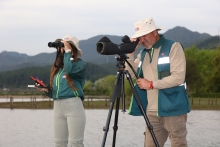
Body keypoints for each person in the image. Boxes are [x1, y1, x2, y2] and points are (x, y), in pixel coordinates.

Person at [125, 18, 190, 147]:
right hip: (152, 111)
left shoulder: (173, 46)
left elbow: (178, 77)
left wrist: (151, 84)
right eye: (139, 37)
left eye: (144, 35)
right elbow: (131, 74)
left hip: (173, 109)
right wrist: (131, 53)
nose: (142, 40)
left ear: (155, 32)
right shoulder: (143, 54)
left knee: (178, 144)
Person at [37, 35, 86, 147]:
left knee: (76, 143)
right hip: (58, 107)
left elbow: (69, 70)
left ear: (72, 49)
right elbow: (55, 93)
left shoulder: (80, 64)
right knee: (59, 143)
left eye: (64, 46)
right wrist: (46, 90)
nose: (61, 50)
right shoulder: (57, 70)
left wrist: (68, 51)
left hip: (73, 106)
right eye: (60, 47)